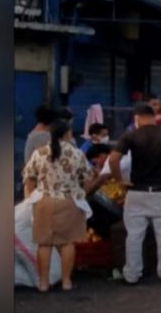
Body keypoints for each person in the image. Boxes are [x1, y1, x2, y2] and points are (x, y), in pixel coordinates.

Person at [22, 120, 106, 292]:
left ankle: (43, 283)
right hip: (69, 202)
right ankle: (66, 282)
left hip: (43, 202)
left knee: (44, 244)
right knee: (67, 243)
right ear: (67, 134)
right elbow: (89, 178)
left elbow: (29, 176)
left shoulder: (40, 153)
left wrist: (30, 197)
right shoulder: (76, 154)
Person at [108, 103, 161, 285]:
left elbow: (113, 159)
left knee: (134, 235)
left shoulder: (130, 136)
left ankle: (132, 274)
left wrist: (120, 180)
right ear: (155, 117)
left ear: (137, 118)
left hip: (137, 192)